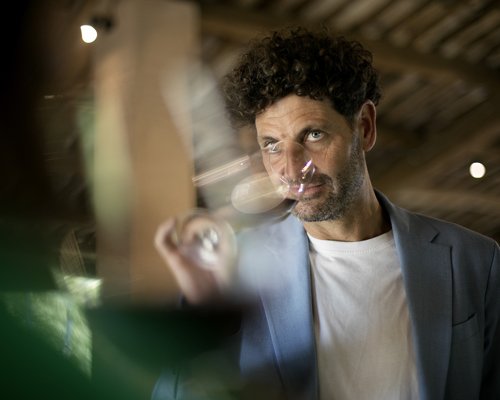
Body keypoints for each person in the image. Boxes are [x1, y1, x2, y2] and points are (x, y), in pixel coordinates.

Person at [153, 26, 500, 400]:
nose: (291, 169)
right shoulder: (235, 270)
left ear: (364, 127)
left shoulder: (476, 262)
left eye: (313, 135)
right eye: (272, 145)